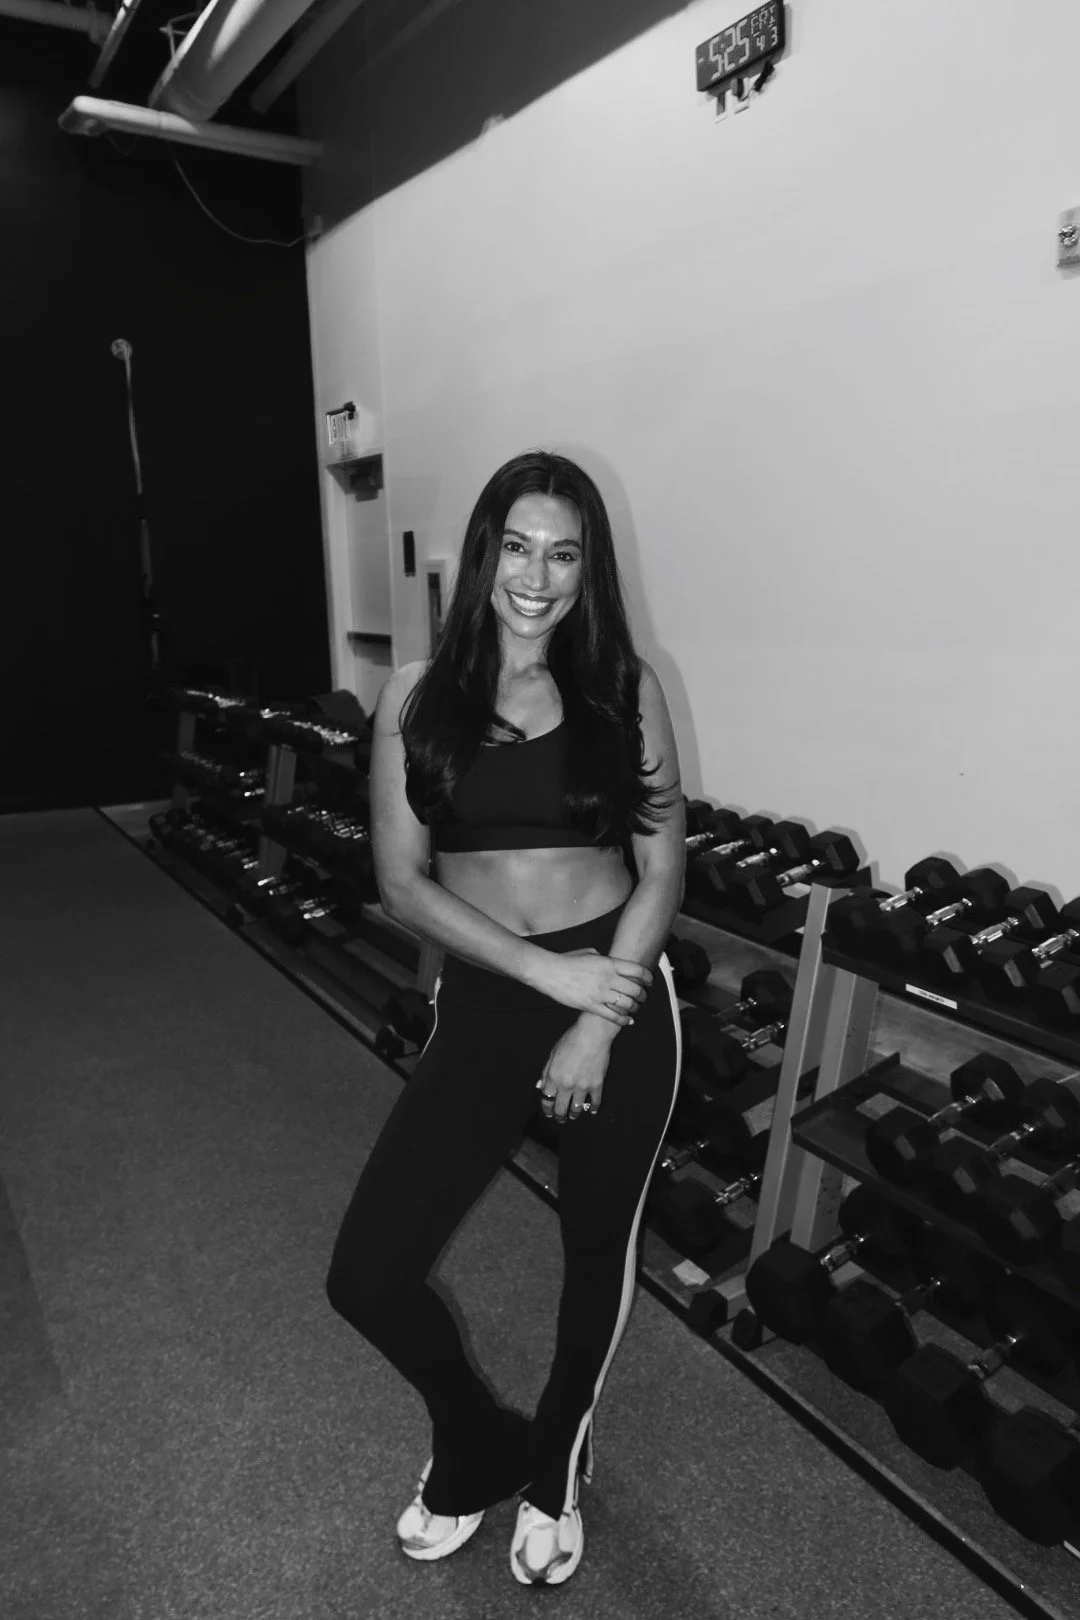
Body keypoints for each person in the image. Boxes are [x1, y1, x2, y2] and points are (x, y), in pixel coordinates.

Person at [326, 449, 685, 1586]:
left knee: (594, 1248)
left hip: (617, 995)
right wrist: (547, 986)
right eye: (518, 546)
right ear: (485, 552)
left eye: (564, 553)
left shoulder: (625, 688)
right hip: (496, 996)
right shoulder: (419, 696)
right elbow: (403, 883)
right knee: (368, 1276)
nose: (538, 575)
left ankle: (557, 1459)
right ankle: (478, 1436)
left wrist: (597, 1013)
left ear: (591, 568)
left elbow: (661, 872)